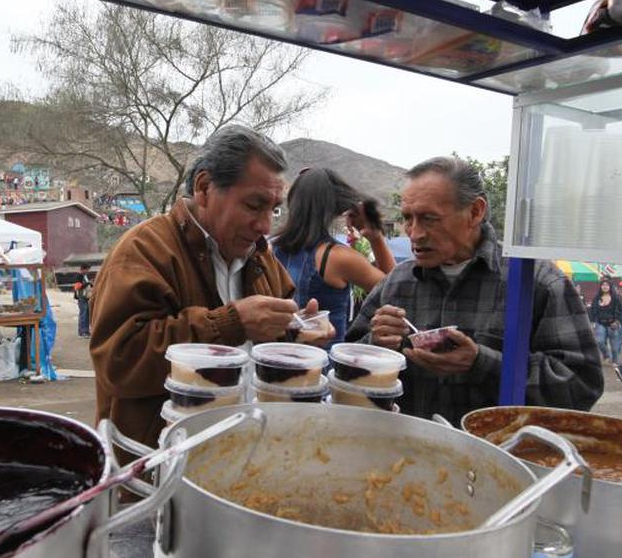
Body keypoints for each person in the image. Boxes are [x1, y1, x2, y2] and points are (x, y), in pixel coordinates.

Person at [90, 125, 333, 446]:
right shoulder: (143, 251)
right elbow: (118, 363)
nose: (264, 226)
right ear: (204, 188)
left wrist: (296, 335)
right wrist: (231, 324)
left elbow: (273, 338)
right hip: (160, 466)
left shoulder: (262, 259)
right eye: (253, 205)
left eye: (273, 209)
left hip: (243, 452)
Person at [346, 157, 603, 425]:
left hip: (496, 459)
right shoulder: (397, 282)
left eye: (429, 218)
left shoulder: (536, 283)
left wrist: (483, 364)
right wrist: (376, 344)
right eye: (408, 218)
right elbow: (347, 365)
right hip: (407, 457)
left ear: (475, 212)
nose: (415, 234)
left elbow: (582, 387)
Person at [272, 168, 395, 347]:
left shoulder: (270, 248)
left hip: (275, 360)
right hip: (322, 366)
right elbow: (394, 291)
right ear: (335, 208)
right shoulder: (338, 257)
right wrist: (375, 237)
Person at [588, 279, 622, 363]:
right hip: (600, 323)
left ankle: (615, 361)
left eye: (607, 285)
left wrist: (617, 321)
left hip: (613, 324)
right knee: (599, 341)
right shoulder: (597, 298)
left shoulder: (616, 297)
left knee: (614, 346)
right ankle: (606, 354)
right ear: (600, 287)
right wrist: (592, 322)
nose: (605, 287)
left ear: (610, 287)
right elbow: (592, 310)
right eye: (603, 285)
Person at [73, 264, 93, 337]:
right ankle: (82, 331)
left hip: (86, 297)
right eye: (87, 269)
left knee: (87, 314)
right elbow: (78, 287)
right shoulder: (79, 276)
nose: (87, 271)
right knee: (83, 314)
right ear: (82, 269)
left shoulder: (85, 276)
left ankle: (86, 331)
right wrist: (88, 283)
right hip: (82, 298)